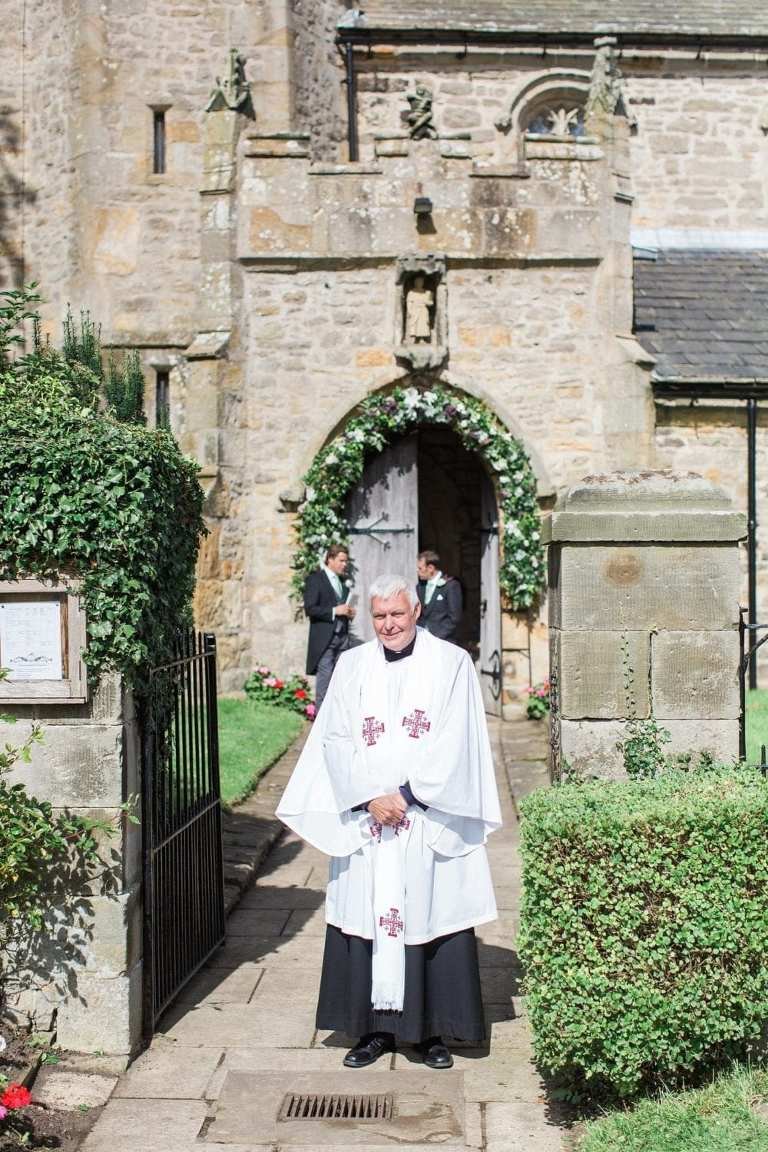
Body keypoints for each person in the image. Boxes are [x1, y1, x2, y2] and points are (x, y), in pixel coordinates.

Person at [277, 574, 501, 1070]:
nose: (389, 625)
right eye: (379, 616)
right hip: (370, 822)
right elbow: (334, 738)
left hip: (425, 817)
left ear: (416, 611)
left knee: (431, 915)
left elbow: (457, 737)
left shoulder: (452, 664)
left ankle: (432, 1033)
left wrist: (406, 794)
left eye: (397, 614)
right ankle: (372, 1031)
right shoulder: (352, 665)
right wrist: (368, 797)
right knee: (368, 920)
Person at [303, 545, 356, 712]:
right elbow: (310, 609)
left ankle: (338, 725)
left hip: (343, 640)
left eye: (346, 561)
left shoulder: (342, 583)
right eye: (341, 560)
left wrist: (348, 613)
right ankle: (320, 731)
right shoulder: (315, 579)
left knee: (342, 684)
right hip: (325, 642)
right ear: (330, 559)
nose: (344, 564)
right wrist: (335, 611)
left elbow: (340, 606)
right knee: (324, 687)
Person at [416, 550, 463, 643]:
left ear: (430, 568)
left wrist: (437, 637)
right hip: (422, 640)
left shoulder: (451, 585)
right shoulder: (420, 587)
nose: (417, 571)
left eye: (420, 568)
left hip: (444, 640)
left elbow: (455, 618)